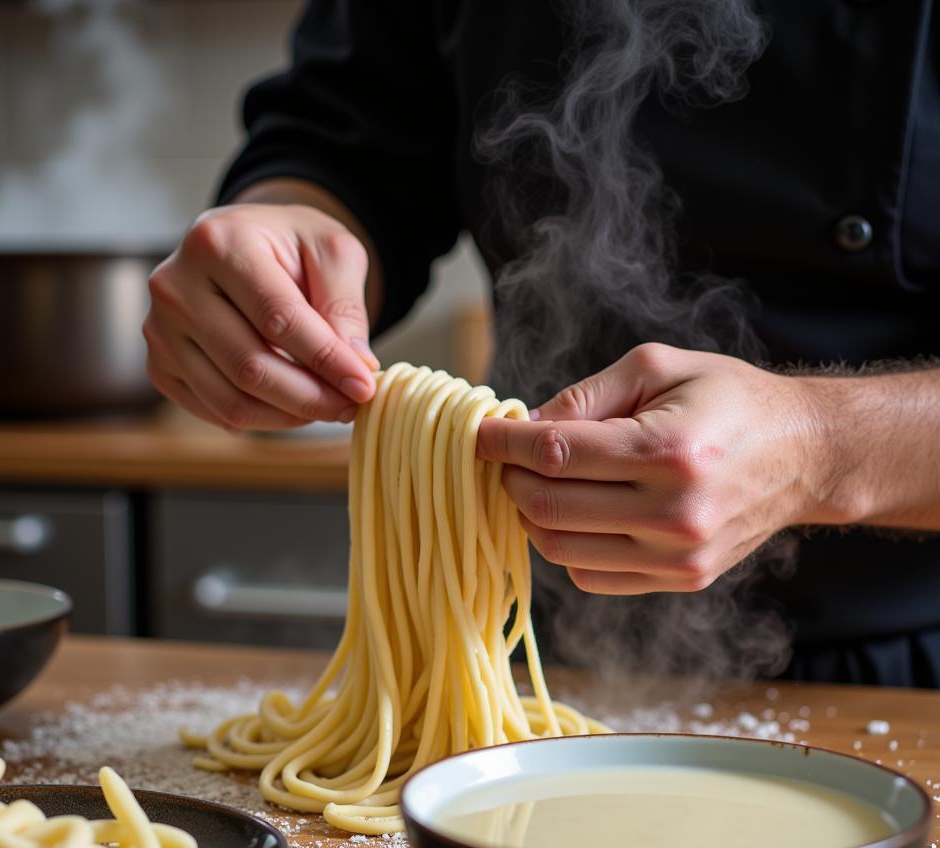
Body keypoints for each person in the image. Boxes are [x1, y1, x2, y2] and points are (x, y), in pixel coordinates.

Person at [143, 1, 940, 687]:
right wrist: (287, 226)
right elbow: (349, 138)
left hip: (913, 673)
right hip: (522, 641)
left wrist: (822, 446)